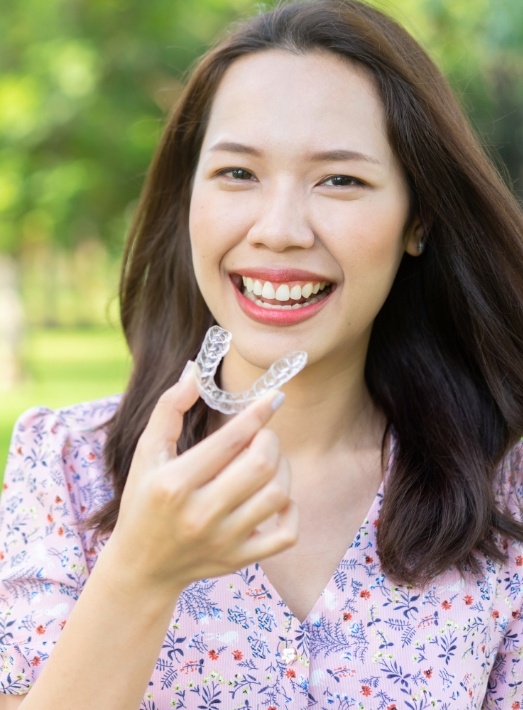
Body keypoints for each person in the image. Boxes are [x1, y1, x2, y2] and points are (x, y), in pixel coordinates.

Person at [1, 0, 523, 707]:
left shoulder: (503, 492)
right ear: (188, 197)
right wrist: (141, 574)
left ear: (417, 219)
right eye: (238, 174)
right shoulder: (62, 468)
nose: (278, 231)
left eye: (340, 179)